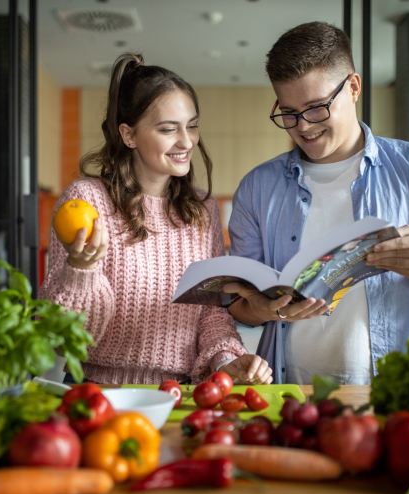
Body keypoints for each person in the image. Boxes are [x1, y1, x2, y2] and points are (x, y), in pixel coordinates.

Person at [223, 22, 409, 385]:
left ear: (353, 87)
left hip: (391, 396)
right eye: (288, 114)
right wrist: (258, 307)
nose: (303, 127)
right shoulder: (257, 188)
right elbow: (240, 310)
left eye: (316, 108)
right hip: (287, 398)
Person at [40, 53, 272, 385]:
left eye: (192, 126)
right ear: (129, 135)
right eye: (168, 129)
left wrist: (227, 360)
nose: (187, 141)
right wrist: (80, 271)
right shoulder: (87, 200)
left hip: (179, 394)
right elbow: (63, 334)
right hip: (96, 392)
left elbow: (209, 313)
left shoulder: (202, 209)